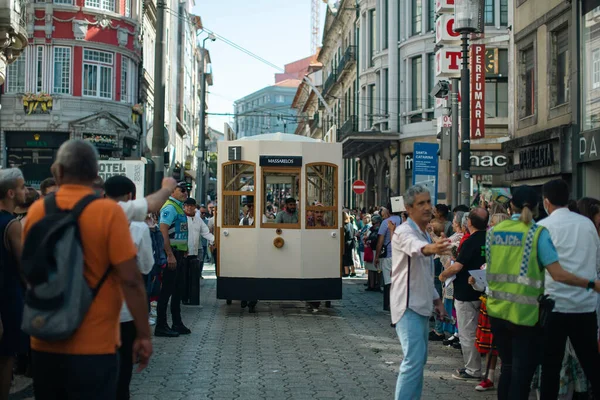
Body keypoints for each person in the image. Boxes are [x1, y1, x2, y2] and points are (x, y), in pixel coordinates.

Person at [24, 140, 152, 399]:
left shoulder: (38, 210)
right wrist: (143, 334)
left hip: (45, 337)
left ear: (57, 171)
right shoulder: (108, 213)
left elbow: (30, 271)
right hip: (95, 343)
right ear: (96, 176)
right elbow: (131, 280)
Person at [485, 185, 600, 400]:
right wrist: (592, 284)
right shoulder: (537, 232)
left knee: (513, 368)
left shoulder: (493, 232)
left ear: (511, 206)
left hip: (497, 309)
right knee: (524, 372)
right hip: (527, 311)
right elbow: (559, 273)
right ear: (539, 205)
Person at [537, 179, 600, 399]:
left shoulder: (543, 227)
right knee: (592, 363)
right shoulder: (587, 225)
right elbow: (597, 262)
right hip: (585, 304)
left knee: (550, 367)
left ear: (547, 202)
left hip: (554, 305)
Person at [390, 185, 452, 400]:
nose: (427, 207)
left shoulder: (423, 232)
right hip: (408, 306)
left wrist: (437, 301)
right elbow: (415, 247)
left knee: (418, 361)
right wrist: (433, 248)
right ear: (408, 208)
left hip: (421, 305)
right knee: (413, 361)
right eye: (421, 203)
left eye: (428, 202)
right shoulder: (405, 231)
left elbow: (425, 273)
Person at [104, 176, 154, 400]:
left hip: (95, 311)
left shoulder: (89, 218)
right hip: (125, 311)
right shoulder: (138, 227)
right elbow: (145, 266)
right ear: (131, 197)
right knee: (124, 366)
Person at [440, 208, 489, 381]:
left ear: (469, 223)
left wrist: (443, 275)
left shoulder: (470, 242)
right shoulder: (489, 239)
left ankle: (473, 369)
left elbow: (458, 266)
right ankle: (485, 370)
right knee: (481, 331)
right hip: (484, 291)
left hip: (466, 293)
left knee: (468, 333)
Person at [0, 169, 27, 400]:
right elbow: (23, 266)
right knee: (7, 355)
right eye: (21, 187)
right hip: (7, 297)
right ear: (10, 193)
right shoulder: (12, 225)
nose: (25, 191)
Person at [157, 182, 191, 337]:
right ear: (172, 191)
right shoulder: (170, 207)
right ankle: (161, 325)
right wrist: (169, 254)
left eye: (187, 190)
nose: (186, 193)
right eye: (182, 190)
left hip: (179, 253)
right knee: (167, 291)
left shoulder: (179, 207)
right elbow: (163, 231)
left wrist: (185, 249)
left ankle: (177, 323)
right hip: (172, 255)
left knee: (177, 290)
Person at [375, 206, 402, 311]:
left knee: (388, 281)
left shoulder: (386, 222)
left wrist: (376, 256)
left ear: (388, 211)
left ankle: (388, 304)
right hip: (400, 255)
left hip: (388, 255)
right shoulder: (402, 221)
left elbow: (380, 241)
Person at [342, 212, 356, 277]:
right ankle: (353, 271)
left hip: (346, 242)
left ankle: (346, 272)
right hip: (351, 242)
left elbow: (344, 234)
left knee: (345, 257)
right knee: (350, 257)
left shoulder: (344, 225)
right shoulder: (350, 224)